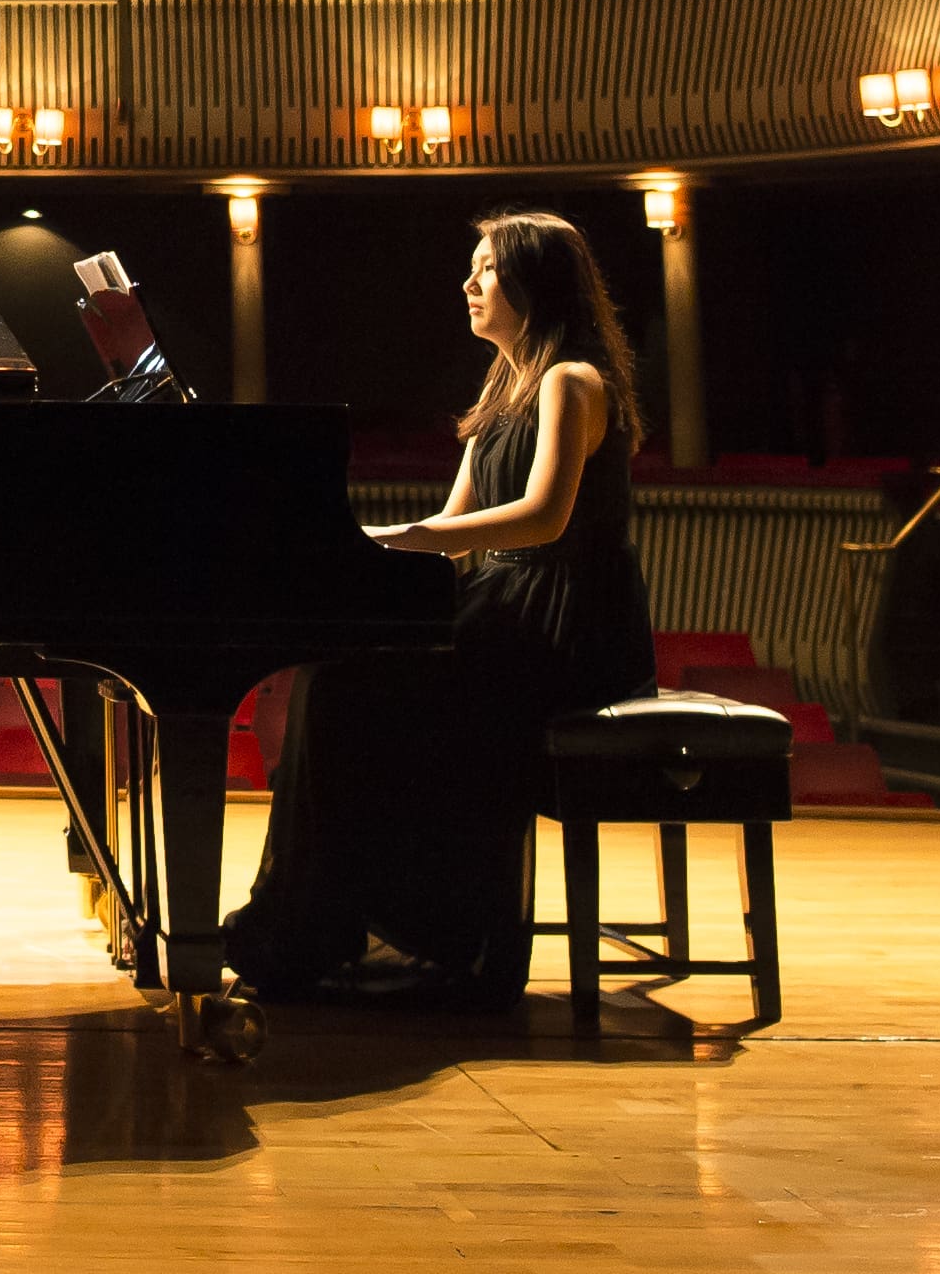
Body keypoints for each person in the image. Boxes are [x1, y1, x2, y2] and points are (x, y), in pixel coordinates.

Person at [227, 209, 657, 1008]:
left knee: (356, 697)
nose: (468, 283)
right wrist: (355, 546)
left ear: (534, 282)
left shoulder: (573, 380)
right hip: (509, 605)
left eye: (487, 269)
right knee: (332, 679)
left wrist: (407, 535)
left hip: (565, 625)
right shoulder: (503, 388)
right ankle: (313, 921)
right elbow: (452, 534)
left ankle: (382, 925)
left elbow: (543, 516)